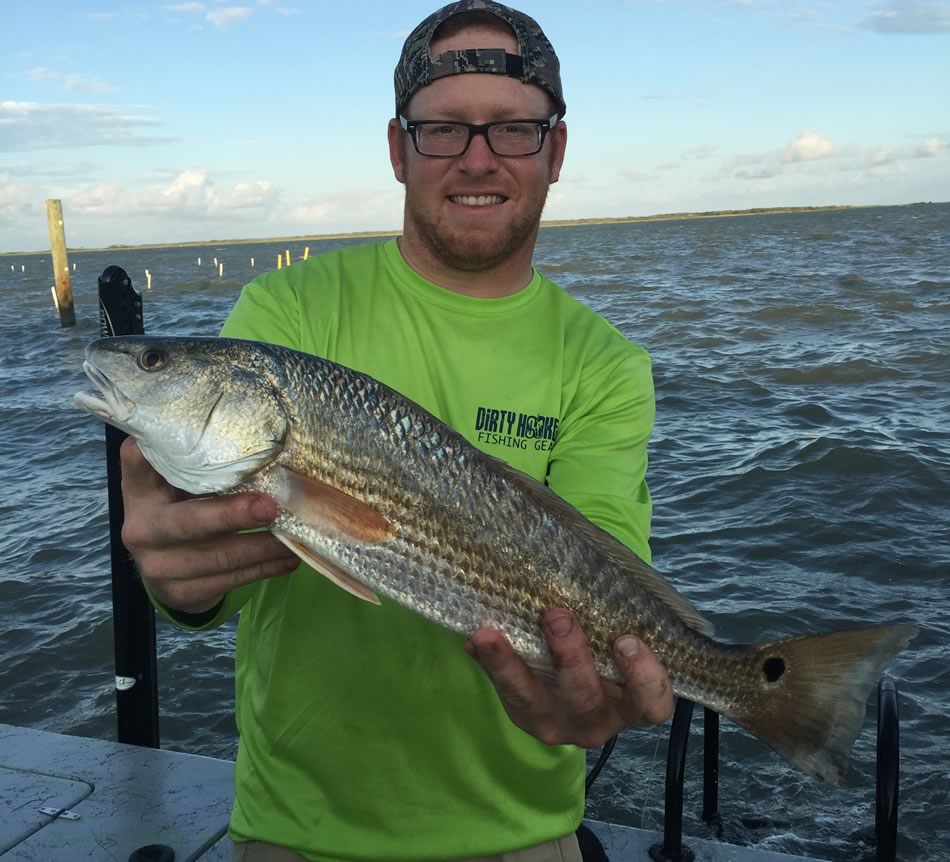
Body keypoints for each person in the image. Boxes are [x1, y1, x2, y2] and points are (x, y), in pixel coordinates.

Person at [119, 2, 674, 860]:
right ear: (397, 148)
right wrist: (179, 582)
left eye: (515, 129)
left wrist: (599, 687)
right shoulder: (286, 311)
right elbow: (209, 576)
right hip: (293, 830)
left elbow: (603, 569)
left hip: (526, 832)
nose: (479, 158)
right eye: (443, 129)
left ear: (556, 151)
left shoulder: (605, 363)